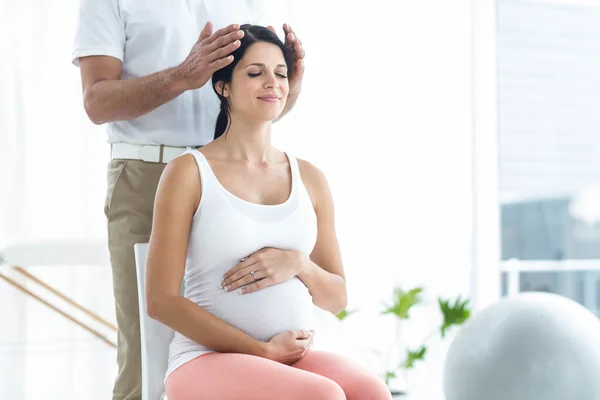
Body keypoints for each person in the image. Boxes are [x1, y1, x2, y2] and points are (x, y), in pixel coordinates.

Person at [71, 1, 305, 399]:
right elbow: (97, 102)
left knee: (245, 335)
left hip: (233, 178)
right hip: (148, 173)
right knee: (148, 354)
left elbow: (253, 101)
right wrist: (182, 76)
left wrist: (289, 83)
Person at [145, 24, 392, 400]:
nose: (272, 83)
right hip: (206, 360)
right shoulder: (188, 173)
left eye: (280, 73)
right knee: (323, 396)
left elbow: (336, 299)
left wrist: (299, 264)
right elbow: (161, 301)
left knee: (371, 391)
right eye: (255, 73)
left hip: (292, 358)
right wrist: (262, 350)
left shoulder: (309, 177)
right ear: (222, 86)